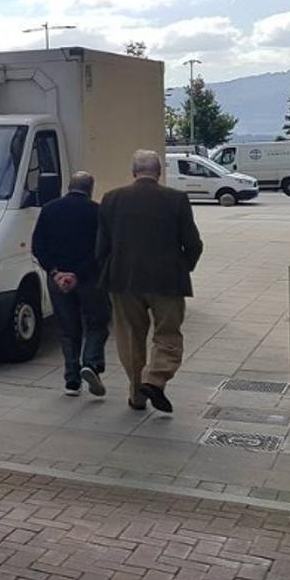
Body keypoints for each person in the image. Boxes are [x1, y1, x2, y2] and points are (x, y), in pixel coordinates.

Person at [96, 150, 204, 414]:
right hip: (167, 280)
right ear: (159, 172)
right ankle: (155, 379)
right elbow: (193, 243)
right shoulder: (176, 199)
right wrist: (183, 267)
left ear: (134, 173)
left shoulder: (111, 200)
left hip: (124, 280)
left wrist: (110, 272)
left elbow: (101, 247)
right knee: (168, 334)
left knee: (131, 337)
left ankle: (137, 395)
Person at [31, 170, 110, 398]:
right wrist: (77, 273)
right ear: (91, 188)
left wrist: (56, 273)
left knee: (67, 329)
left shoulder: (49, 209)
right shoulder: (97, 212)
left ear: (69, 186)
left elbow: (38, 246)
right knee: (97, 322)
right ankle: (91, 363)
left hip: (57, 281)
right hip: (89, 279)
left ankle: (72, 380)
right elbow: (101, 249)